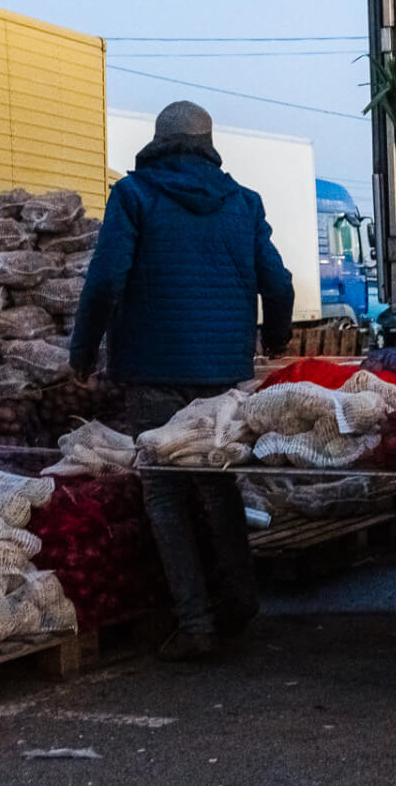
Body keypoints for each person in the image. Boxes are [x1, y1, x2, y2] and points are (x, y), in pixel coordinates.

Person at [69, 101, 296, 660]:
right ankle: (240, 602)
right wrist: (276, 337)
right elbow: (279, 281)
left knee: (165, 491)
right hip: (221, 372)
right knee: (217, 483)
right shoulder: (243, 202)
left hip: (150, 367)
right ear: (208, 142)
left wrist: (82, 351)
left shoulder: (134, 195)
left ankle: (195, 623)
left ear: (157, 139)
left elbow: (104, 283)